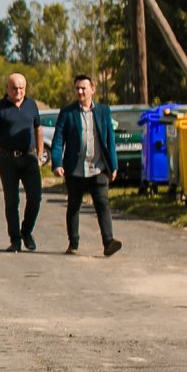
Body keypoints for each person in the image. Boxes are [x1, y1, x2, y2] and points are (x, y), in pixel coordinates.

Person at [51, 75, 123, 257]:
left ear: (93, 89)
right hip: (75, 169)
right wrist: (57, 163)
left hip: (98, 167)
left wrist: (113, 165)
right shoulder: (67, 113)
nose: (80, 92)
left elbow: (109, 140)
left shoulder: (103, 111)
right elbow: (58, 140)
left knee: (102, 205)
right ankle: (73, 243)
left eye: (83, 88)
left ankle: (108, 242)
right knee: (74, 206)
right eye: (77, 88)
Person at [0, 73, 44, 252]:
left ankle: (26, 231)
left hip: (29, 158)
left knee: (35, 197)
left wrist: (40, 154)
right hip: (7, 159)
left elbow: (38, 129)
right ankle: (15, 239)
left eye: (21, 88)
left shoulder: (31, 105)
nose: (18, 92)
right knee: (12, 201)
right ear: (7, 89)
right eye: (14, 88)